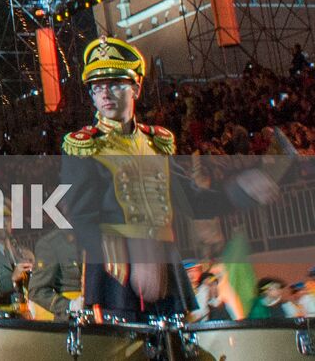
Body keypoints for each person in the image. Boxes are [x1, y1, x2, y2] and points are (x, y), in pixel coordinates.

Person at [60, 37, 280, 322]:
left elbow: (191, 201)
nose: (105, 94)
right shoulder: (84, 146)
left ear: (136, 88)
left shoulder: (157, 143)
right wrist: (131, 255)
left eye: (115, 84)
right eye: (97, 87)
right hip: (116, 279)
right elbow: (81, 219)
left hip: (166, 269)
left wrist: (240, 190)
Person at [27, 228, 82, 321]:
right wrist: (70, 305)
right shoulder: (51, 244)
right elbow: (37, 290)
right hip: (70, 320)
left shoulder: (103, 237)